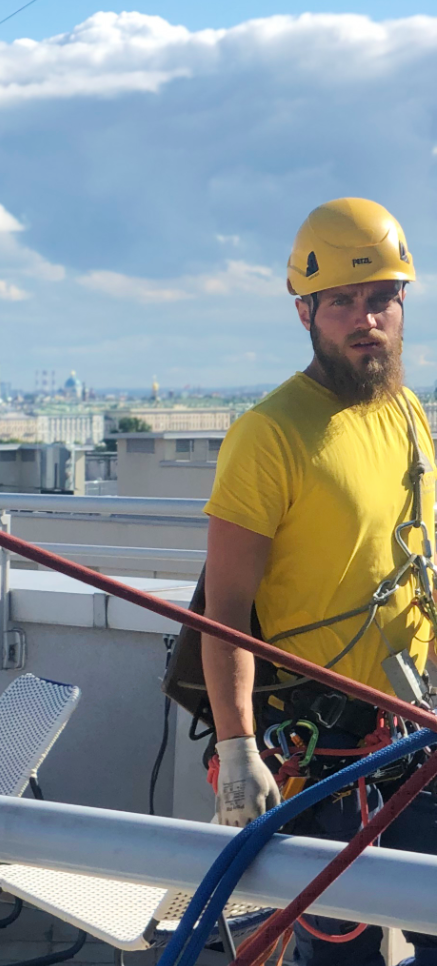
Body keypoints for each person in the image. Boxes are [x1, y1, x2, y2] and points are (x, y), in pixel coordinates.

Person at [201, 198, 437, 966]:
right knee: (341, 956)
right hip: (323, 751)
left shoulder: (409, 416)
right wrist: (238, 751)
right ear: (306, 311)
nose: (364, 319)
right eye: (341, 301)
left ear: (403, 302)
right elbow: (227, 610)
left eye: (380, 299)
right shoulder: (269, 434)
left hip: (412, 732)